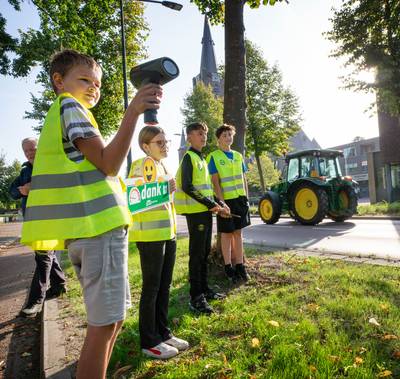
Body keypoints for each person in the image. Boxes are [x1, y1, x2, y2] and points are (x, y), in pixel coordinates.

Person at [20, 49, 162, 379]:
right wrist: (134, 111)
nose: (93, 87)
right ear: (59, 81)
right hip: (97, 232)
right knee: (103, 325)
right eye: (84, 79)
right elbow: (109, 162)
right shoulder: (70, 106)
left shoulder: (66, 113)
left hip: (92, 232)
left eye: (97, 83)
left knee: (112, 321)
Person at [128, 126, 189, 359]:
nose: (165, 146)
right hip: (149, 237)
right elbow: (135, 198)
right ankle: (149, 341)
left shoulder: (162, 165)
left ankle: (163, 333)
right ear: (146, 146)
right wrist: (163, 188)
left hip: (167, 234)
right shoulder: (140, 165)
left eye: (166, 142)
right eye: (159, 143)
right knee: (151, 288)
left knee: (165, 286)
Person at [175, 122, 228, 315]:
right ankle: (195, 297)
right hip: (196, 213)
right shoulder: (189, 157)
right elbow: (188, 186)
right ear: (189, 137)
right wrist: (210, 204)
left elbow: (206, 187)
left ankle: (205, 290)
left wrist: (219, 203)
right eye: (199, 133)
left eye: (204, 133)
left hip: (205, 212)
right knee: (196, 255)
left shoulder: (202, 158)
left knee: (204, 252)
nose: (203, 136)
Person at [9, 137, 67, 317]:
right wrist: (21, 191)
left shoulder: (50, 164)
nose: (29, 153)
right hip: (34, 219)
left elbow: (60, 184)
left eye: (32, 149)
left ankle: (35, 301)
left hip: (49, 218)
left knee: (43, 257)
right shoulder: (24, 170)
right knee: (46, 254)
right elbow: (11, 192)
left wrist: (36, 186)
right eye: (26, 150)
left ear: (39, 147)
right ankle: (59, 286)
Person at [207, 124, 251, 283]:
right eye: (224, 135)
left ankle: (240, 266)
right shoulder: (213, 156)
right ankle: (228, 267)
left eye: (230, 135)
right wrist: (221, 202)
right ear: (218, 138)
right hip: (225, 201)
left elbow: (244, 178)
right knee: (226, 235)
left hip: (240, 199)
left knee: (238, 234)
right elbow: (215, 182)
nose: (228, 137)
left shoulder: (239, 156)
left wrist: (246, 197)